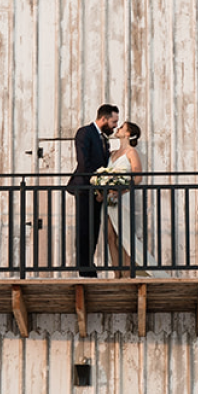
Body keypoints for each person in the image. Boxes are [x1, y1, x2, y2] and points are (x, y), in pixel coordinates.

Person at [104, 122, 165, 278]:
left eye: (122, 127)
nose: (118, 129)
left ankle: (125, 273)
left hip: (123, 197)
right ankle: (116, 272)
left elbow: (137, 177)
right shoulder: (112, 153)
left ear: (128, 134)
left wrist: (122, 189)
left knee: (124, 235)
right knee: (110, 235)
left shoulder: (131, 153)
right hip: (109, 197)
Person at [66, 104, 119, 277]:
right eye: (113, 121)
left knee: (94, 227)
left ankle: (89, 264)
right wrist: (96, 186)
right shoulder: (85, 133)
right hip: (85, 188)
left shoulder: (103, 138)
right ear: (103, 119)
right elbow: (83, 162)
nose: (115, 126)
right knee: (84, 228)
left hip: (97, 191)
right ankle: (84, 268)